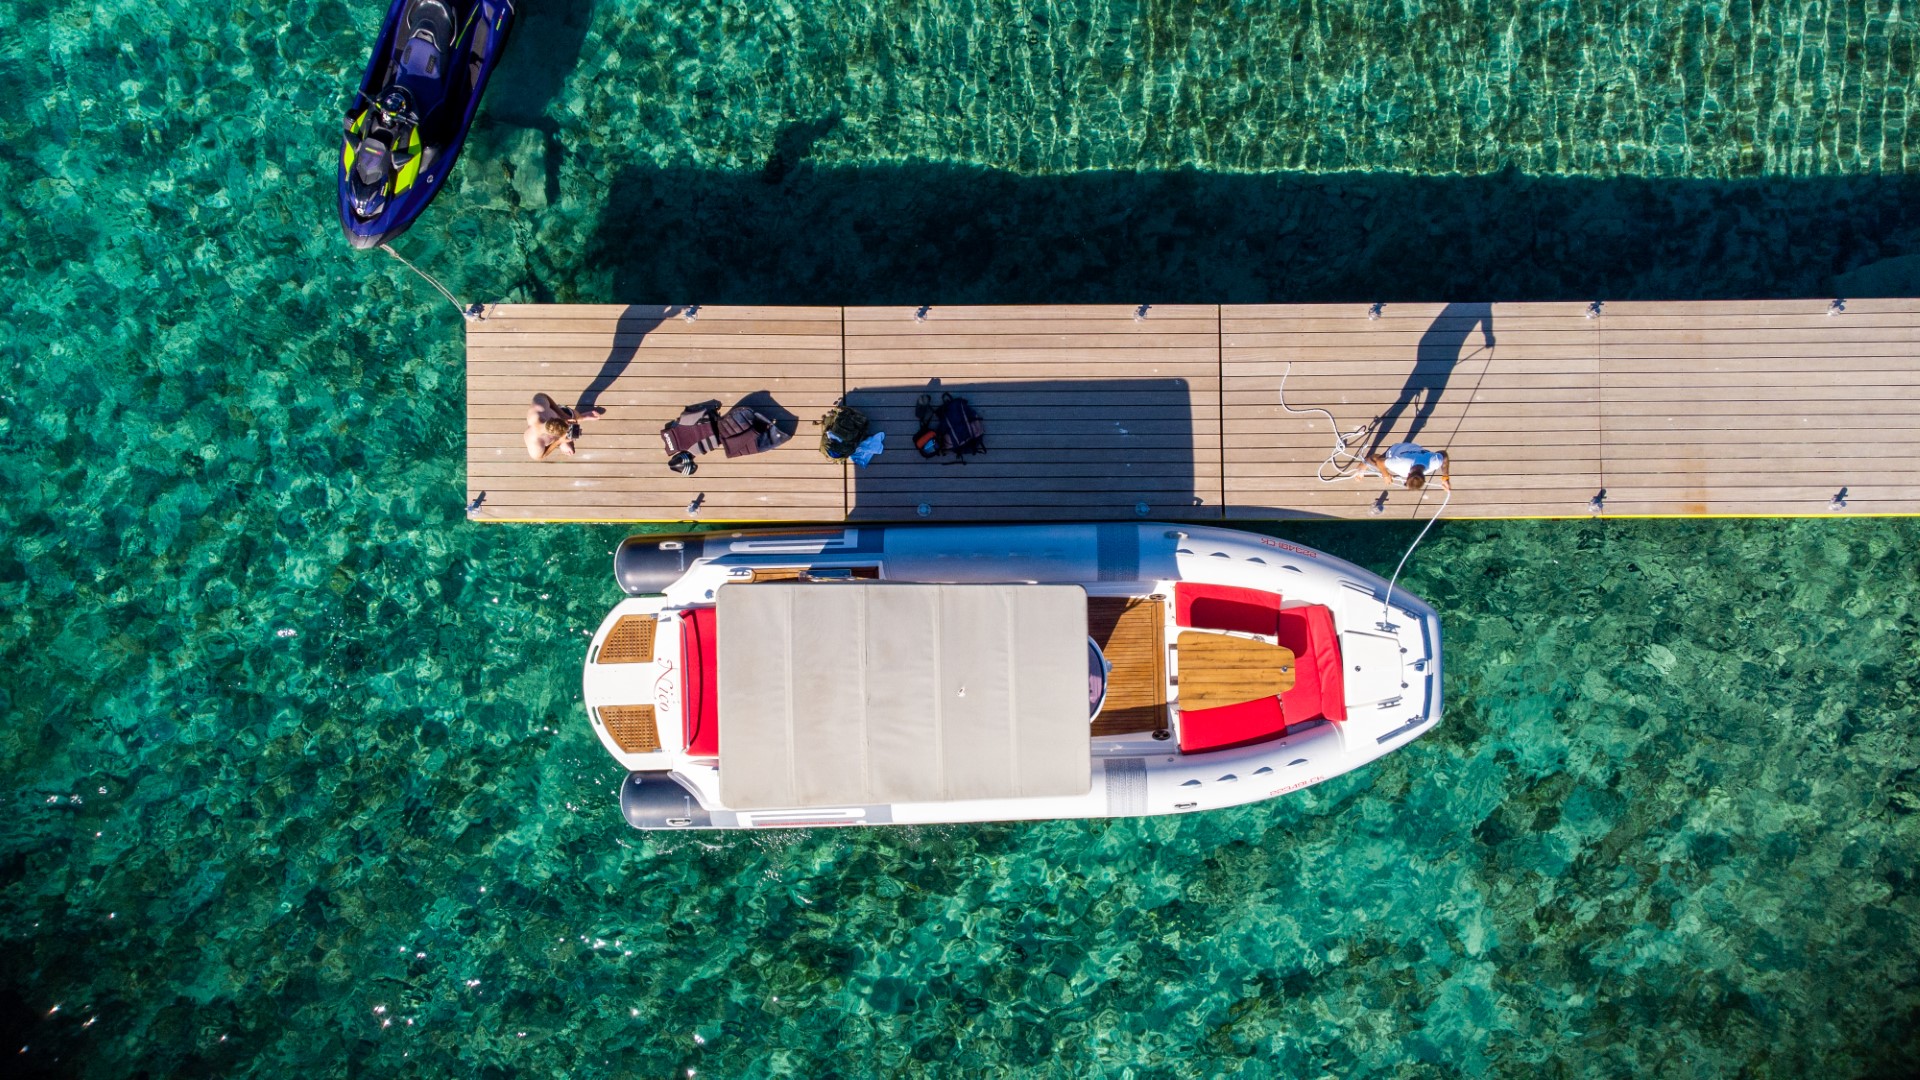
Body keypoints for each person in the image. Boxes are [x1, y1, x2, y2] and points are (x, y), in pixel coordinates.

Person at [524, 393, 605, 461]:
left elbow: (543, 396)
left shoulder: (540, 408)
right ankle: (562, 444)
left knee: (570, 415)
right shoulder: (535, 443)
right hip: (556, 440)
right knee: (571, 449)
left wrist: (563, 416)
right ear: (552, 436)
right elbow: (540, 457)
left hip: (559, 416)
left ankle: (581, 417)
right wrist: (559, 441)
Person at [1366, 441, 1451, 492]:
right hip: (1396, 449)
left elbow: (1444, 455)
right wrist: (1386, 475)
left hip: (1413, 447)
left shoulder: (1434, 463)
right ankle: (1364, 463)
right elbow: (1380, 462)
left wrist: (1445, 478)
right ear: (1408, 475)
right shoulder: (1399, 464)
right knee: (1376, 462)